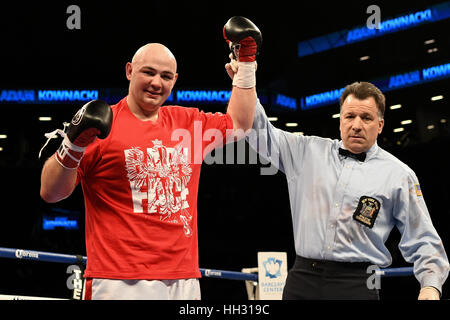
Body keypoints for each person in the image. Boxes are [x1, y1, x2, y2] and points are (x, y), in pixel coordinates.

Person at [39, 16, 261, 300]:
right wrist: (73, 144)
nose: (157, 82)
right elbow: (51, 192)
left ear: (175, 80)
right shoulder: (102, 125)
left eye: (166, 76)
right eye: (149, 72)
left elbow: (240, 124)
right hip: (120, 280)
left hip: (184, 278)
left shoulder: (187, 122)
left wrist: (246, 66)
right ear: (130, 71)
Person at [241, 81, 449, 300]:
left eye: (366, 118)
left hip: (357, 283)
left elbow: (423, 238)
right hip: (301, 280)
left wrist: (431, 286)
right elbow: (257, 130)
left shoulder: (398, 175)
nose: (356, 125)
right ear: (340, 120)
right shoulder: (307, 152)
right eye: (350, 116)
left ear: (380, 125)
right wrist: (245, 77)